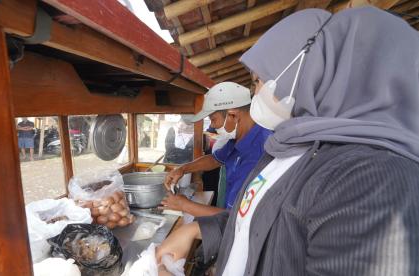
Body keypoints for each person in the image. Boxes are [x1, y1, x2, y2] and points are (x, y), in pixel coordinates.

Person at [157, 7, 419, 275]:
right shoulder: (291, 148)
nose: (256, 93)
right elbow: (258, 221)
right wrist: (198, 228)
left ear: (309, 74)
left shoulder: (374, 180)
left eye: (258, 81)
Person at [162, 82, 272, 216]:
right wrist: (182, 169)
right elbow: (215, 160)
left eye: (213, 120)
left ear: (233, 115)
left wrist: (184, 205)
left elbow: (235, 218)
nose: (212, 127)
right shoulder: (239, 138)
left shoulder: (260, 152)